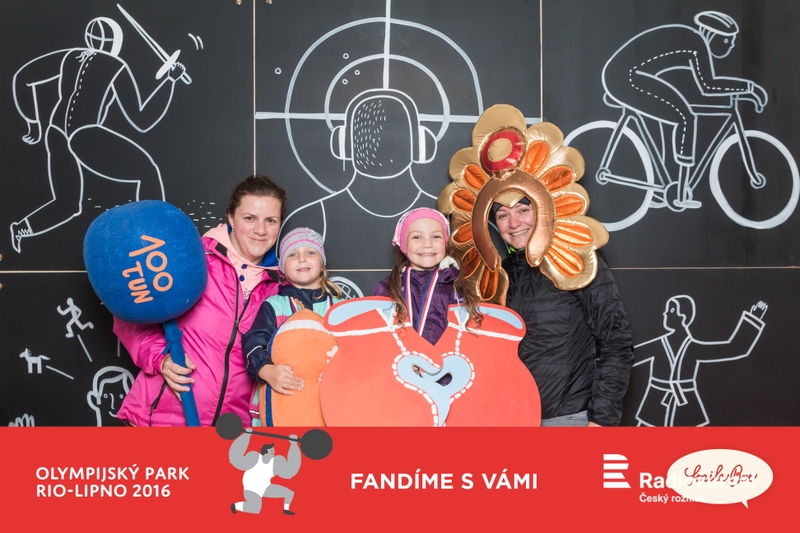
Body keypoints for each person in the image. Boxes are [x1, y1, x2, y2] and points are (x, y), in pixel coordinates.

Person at [113, 175, 286, 426]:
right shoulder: (189, 256)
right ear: (231, 217)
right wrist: (161, 359)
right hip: (162, 418)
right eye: (250, 218)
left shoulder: (281, 287)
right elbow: (130, 313)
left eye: (271, 220)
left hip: (232, 429)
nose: (260, 230)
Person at [10, 17, 186, 252]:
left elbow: (23, 78)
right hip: (84, 134)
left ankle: (21, 228)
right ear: (116, 42)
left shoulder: (70, 56)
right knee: (147, 171)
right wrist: (170, 81)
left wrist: (33, 124)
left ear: (89, 38)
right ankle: (156, 237)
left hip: (55, 133)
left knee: (67, 204)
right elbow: (142, 120)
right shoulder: (115, 65)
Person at [602, 10, 768, 209]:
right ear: (711, 35)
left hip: (630, 75)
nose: (732, 45)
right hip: (625, 77)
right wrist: (749, 88)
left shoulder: (692, 40)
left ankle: (659, 191)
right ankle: (681, 192)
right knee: (685, 116)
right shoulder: (696, 43)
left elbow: (702, 87)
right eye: (727, 40)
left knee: (673, 114)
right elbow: (708, 86)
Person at [494, 199, 634, 426]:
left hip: (568, 419)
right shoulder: (499, 274)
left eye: (523, 210)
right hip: (511, 419)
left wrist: (601, 420)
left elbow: (616, 343)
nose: (514, 223)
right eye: (502, 215)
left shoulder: (576, 261)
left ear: (543, 210)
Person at [242, 227, 343, 422]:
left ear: (322, 263)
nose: (302, 259)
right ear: (282, 268)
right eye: (293, 254)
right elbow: (253, 342)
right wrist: (266, 370)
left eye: (310, 252)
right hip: (284, 401)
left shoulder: (340, 308)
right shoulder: (274, 306)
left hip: (330, 402)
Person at [373, 208, 482, 347]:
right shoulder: (387, 288)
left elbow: (470, 341)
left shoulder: (457, 286)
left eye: (436, 236)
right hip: (402, 359)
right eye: (416, 237)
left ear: (446, 243)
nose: (427, 244)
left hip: (448, 360)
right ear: (403, 243)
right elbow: (379, 340)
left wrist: (450, 274)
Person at [229, 430, 300, 515]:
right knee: (255, 509)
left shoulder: (275, 463)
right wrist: (246, 436)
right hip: (251, 488)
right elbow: (236, 458)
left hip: (265, 487)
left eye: (274, 450)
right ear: (265, 452)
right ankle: (235, 506)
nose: (274, 452)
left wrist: (293, 444)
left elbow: (290, 470)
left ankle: (286, 510)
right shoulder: (255, 458)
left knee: (289, 493)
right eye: (271, 450)